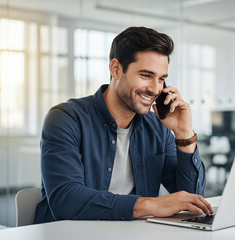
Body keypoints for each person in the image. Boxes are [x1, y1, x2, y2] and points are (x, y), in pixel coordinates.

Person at [34, 26, 212, 223]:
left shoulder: (157, 128)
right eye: (146, 75)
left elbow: (192, 202)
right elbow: (65, 200)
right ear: (116, 69)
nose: (155, 89)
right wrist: (151, 205)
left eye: (161, 79)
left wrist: (183, 133)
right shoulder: (65, 119)